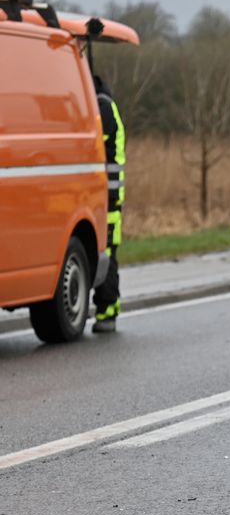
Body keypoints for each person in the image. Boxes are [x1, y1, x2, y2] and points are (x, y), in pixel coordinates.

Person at [93, 75, 124, 331]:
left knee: (108, 251)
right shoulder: (106, 104)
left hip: (109, 196)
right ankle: (107, 307)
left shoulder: (103, 106)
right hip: (108, 194)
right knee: (106, 250)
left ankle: (108, 310)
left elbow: (93, 138)